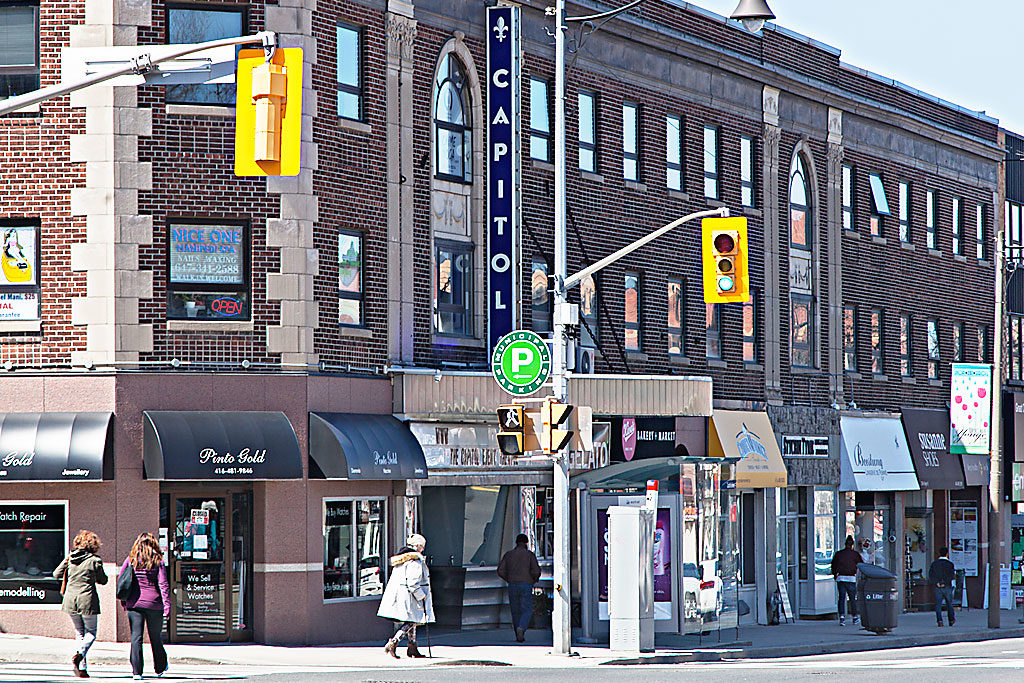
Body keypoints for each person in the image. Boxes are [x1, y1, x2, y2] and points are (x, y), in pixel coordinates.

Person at [53, 530, 108, 678]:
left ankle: (82, 669)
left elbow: (56, 574)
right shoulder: (94, 560)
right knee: (91, 632)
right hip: (87, 600)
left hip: (70, 600)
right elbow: (103, 580)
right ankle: (80, 655)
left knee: (79, 632)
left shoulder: (70, 558)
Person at [119, 532, 170, 680]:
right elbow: (163, 584)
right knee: (155, 637)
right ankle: (160, 667)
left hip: (134, 603)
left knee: (136, 637)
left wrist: (124, 601)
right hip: (154, 604)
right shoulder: (158, 561)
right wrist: (166, 605)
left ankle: (137, 672)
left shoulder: (131, 560)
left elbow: (123, 581)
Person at [377, 534, 435, 659]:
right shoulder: (415, 561)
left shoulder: (402, 559)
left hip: (402, 594)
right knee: (412, 620)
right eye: (422, 546)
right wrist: (422, 595)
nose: (423, 549)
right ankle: (394, 642)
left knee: (413, 619)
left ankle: (412, 647)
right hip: (410, 596)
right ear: (418, 546)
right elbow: (413, 583)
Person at [497, 533, 541, 643]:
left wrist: (508, 579)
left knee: (515, 610)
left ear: (516, 542)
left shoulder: (509, 555)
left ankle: (518, 634)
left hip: (512, 584)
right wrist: (534, 580)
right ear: (526, 543)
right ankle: (522, 627)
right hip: (526, 583)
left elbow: (500, 570)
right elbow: (536, 571)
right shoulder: (529, 555)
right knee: (527, 609)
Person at [830, 535, 863, 625]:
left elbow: (833, 565)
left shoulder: (838, 554)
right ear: (852, 545)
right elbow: (861, 565)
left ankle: (841, 617)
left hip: (840, 578)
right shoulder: (855, 554)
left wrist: (835, 575)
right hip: (851, 578)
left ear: (845, 544)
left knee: (841, 598)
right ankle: (855, 617)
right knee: (852, 598)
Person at [930, 546, 956, 627]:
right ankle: (951, 620)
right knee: (949, 604)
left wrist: (936, 582)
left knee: (938, 604)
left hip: (938, 587)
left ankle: (939, 621)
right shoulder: (950, 564)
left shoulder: (934, 564)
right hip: (947, 586)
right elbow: (952, 575)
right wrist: (945, 582)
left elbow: (931, 575)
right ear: (947, 554)